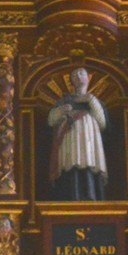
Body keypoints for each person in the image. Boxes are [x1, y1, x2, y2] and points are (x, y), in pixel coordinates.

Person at [46, 67, 109, 200]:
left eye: (81, 73)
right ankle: (71, 196)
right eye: (74, 75)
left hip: (90, 141)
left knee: (90, 163)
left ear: (88, 78)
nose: (78, 76)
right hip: (70, 138)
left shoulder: (94, 101)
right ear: (71, 82)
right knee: (71, 162)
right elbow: (51, 120)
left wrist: (91, 101)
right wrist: (62, 110)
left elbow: (102, 123)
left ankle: (92, 196)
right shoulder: (65, 101)